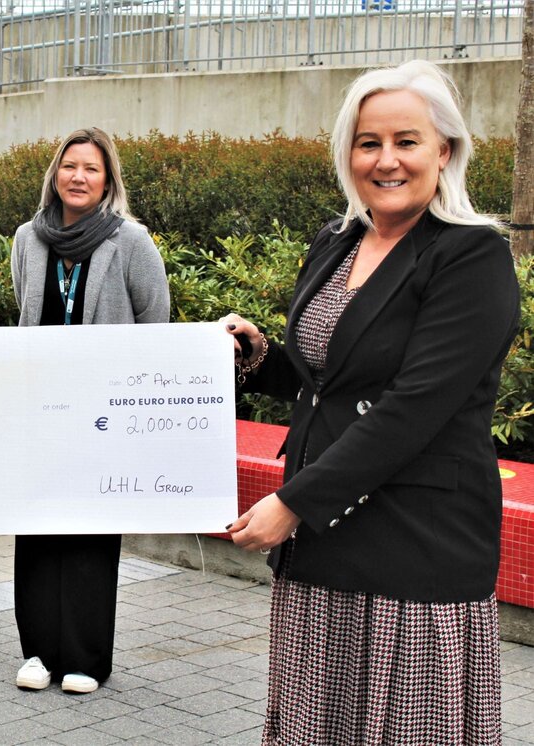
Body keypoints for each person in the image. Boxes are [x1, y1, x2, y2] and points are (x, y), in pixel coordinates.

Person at [222, 60, 519, 744]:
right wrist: (257, 355)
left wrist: (292, 503)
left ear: (444, 150)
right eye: (367, 142)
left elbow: (414, 406)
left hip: (414, 546)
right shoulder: (337, 240)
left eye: (406, 141)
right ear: (347, 153)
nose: (386, 160)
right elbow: (330, 378)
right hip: (326, 543)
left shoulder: (472, 257)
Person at [9, 127, 170, 695]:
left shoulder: (131, 241)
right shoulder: (29, 238)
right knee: (36, 531)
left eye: (91, 169)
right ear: (56, 173)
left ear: (108, 181)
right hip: (42, 412)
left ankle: (85, 659)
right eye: (69, 166)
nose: (78, 177)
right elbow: (25, 310)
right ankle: (37, 653)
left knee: (90, 536)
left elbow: (156, 322)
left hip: (104, 415)